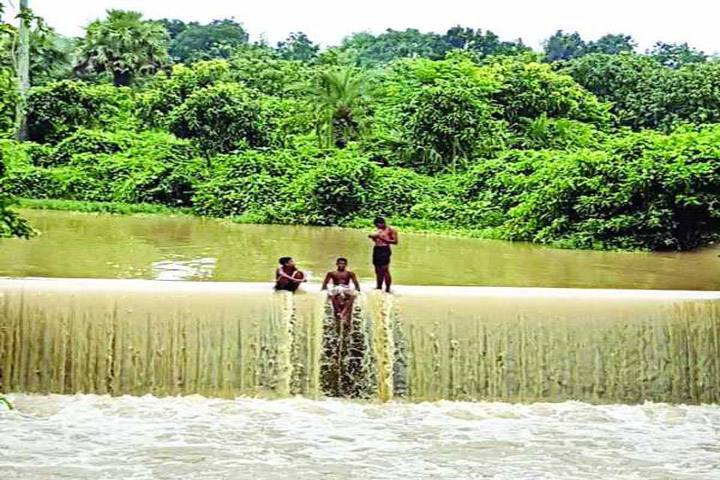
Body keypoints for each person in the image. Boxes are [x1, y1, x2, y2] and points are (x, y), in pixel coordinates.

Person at [321, 257, 361, 324]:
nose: (341, 265)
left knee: (353, 296)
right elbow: (325, 283)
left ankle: (343, 312)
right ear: (337, 264)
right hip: (336, 287)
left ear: (346, 265)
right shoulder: (331, 273)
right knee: (333, 296)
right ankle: (338, 312)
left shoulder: (350, 273)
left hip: (346, 288)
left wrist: (358, 291)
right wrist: (324, 292)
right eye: (340, 263)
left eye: (343, 264)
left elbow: (356, 283)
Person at [368, 217, 398, 292]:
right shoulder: (378, 230)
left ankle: (387, 288)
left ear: (383, 223)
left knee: (385, 269)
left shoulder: (391, 230)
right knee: (377, 270)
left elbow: (395, 242)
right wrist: (373, 237)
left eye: (378, 225)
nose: (377, 227)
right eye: (376, 226)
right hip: (377, 249)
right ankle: (379, 287)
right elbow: (376, 240)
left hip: (385, 249)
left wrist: (381, 237)